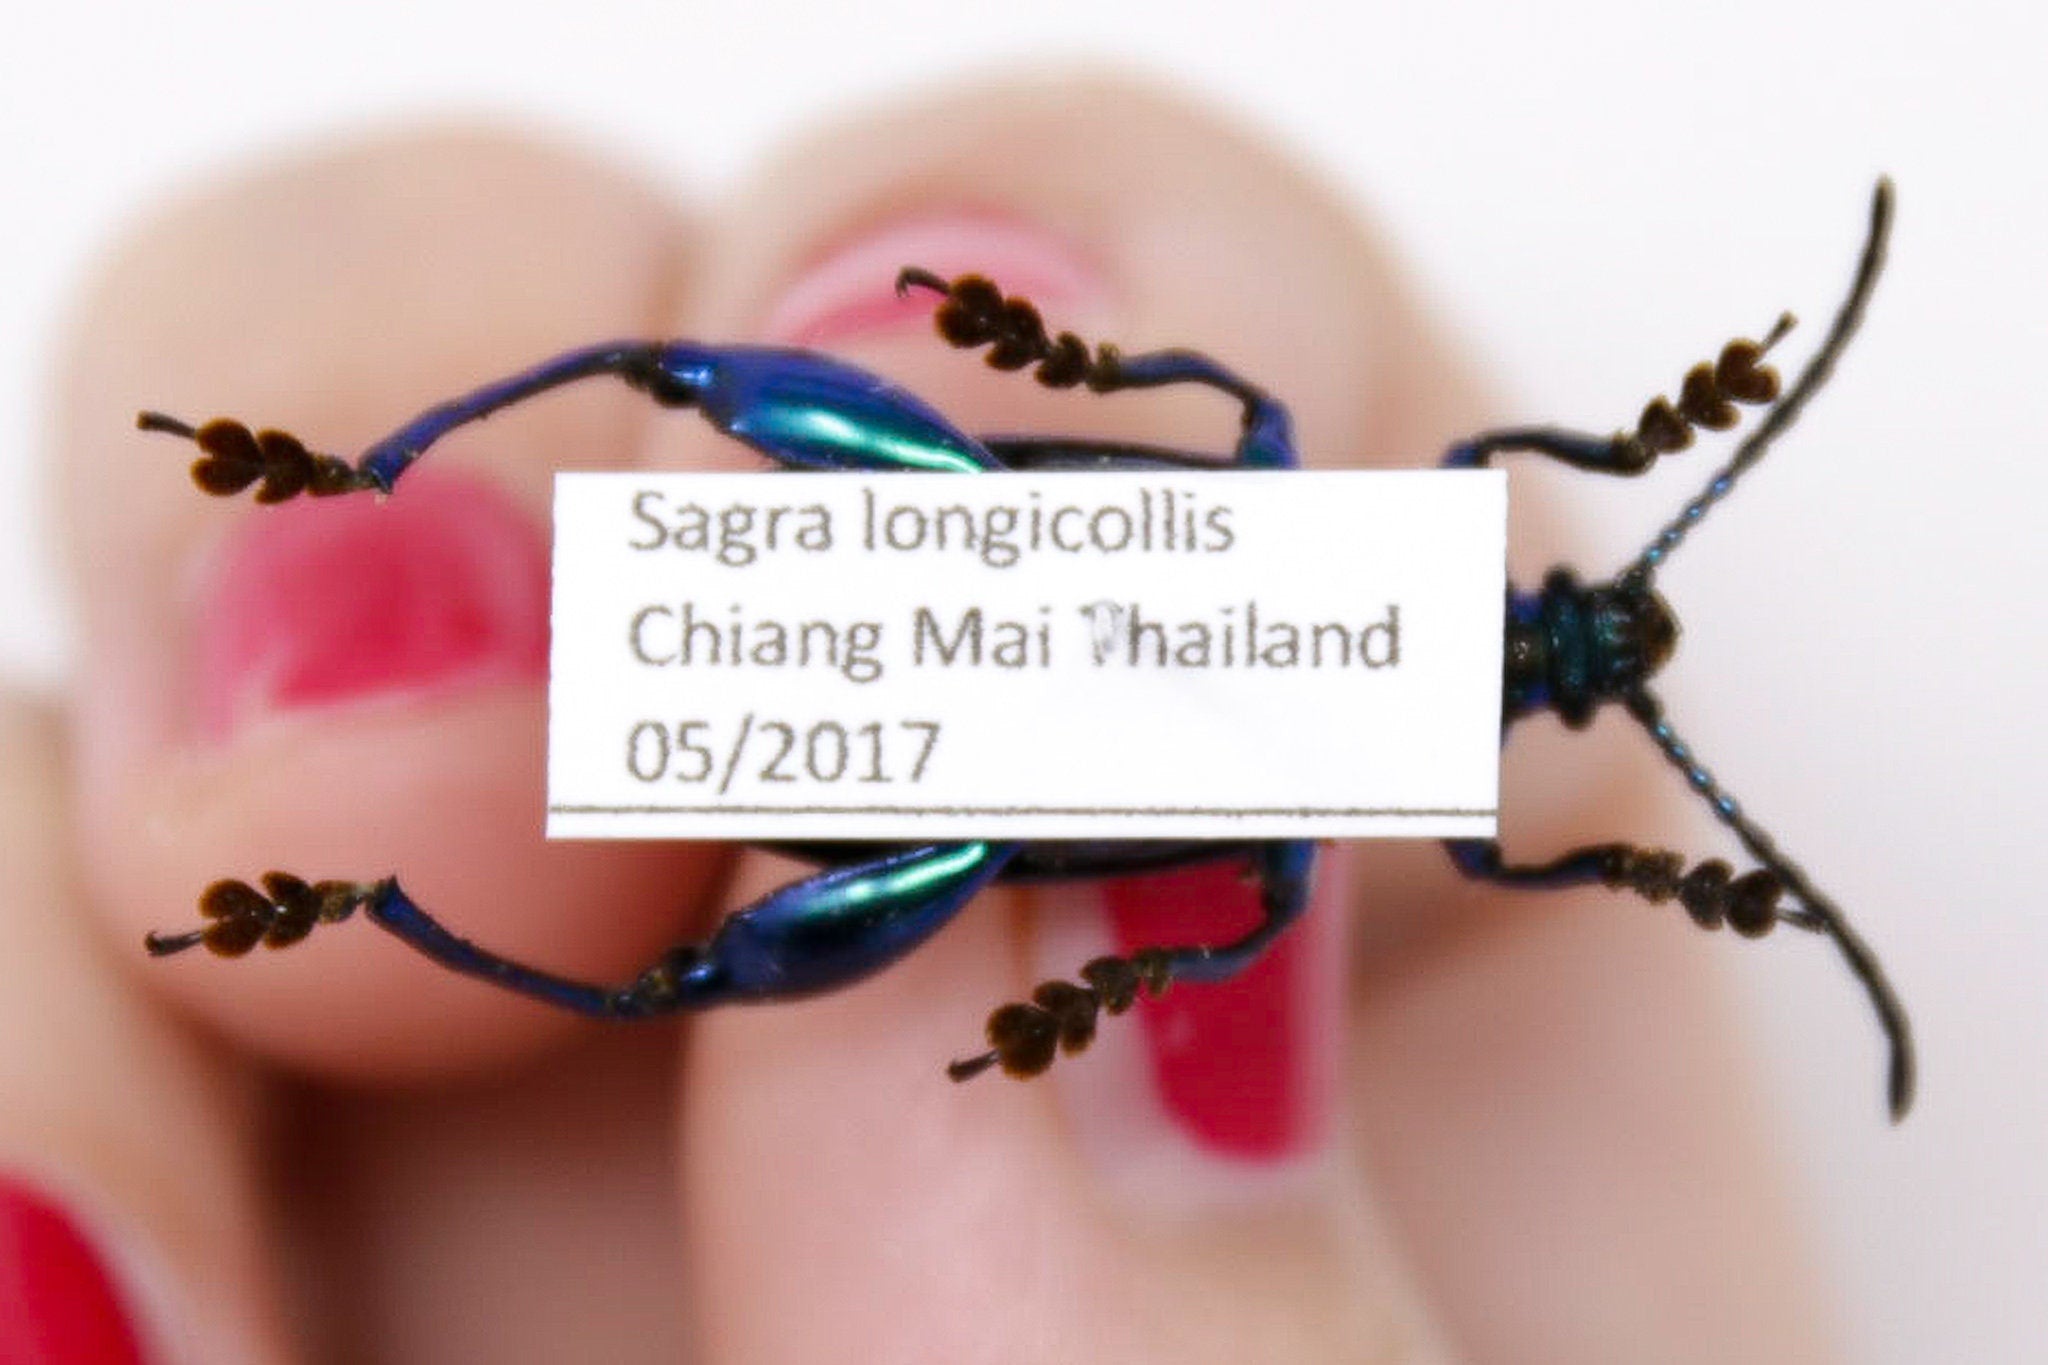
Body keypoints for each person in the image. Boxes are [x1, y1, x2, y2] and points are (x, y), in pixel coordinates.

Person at [0, 78, 1836, 1362]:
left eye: (1559, 638)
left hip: (890, 760)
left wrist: (1097, 380)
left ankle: (365, 813)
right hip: (868, 724)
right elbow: (1372, 868)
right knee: (683, 443)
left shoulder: (1371, 593)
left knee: (682, 411)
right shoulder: (1390, 724)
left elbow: (1264, 436)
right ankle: (363, 787)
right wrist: (1130, 983)